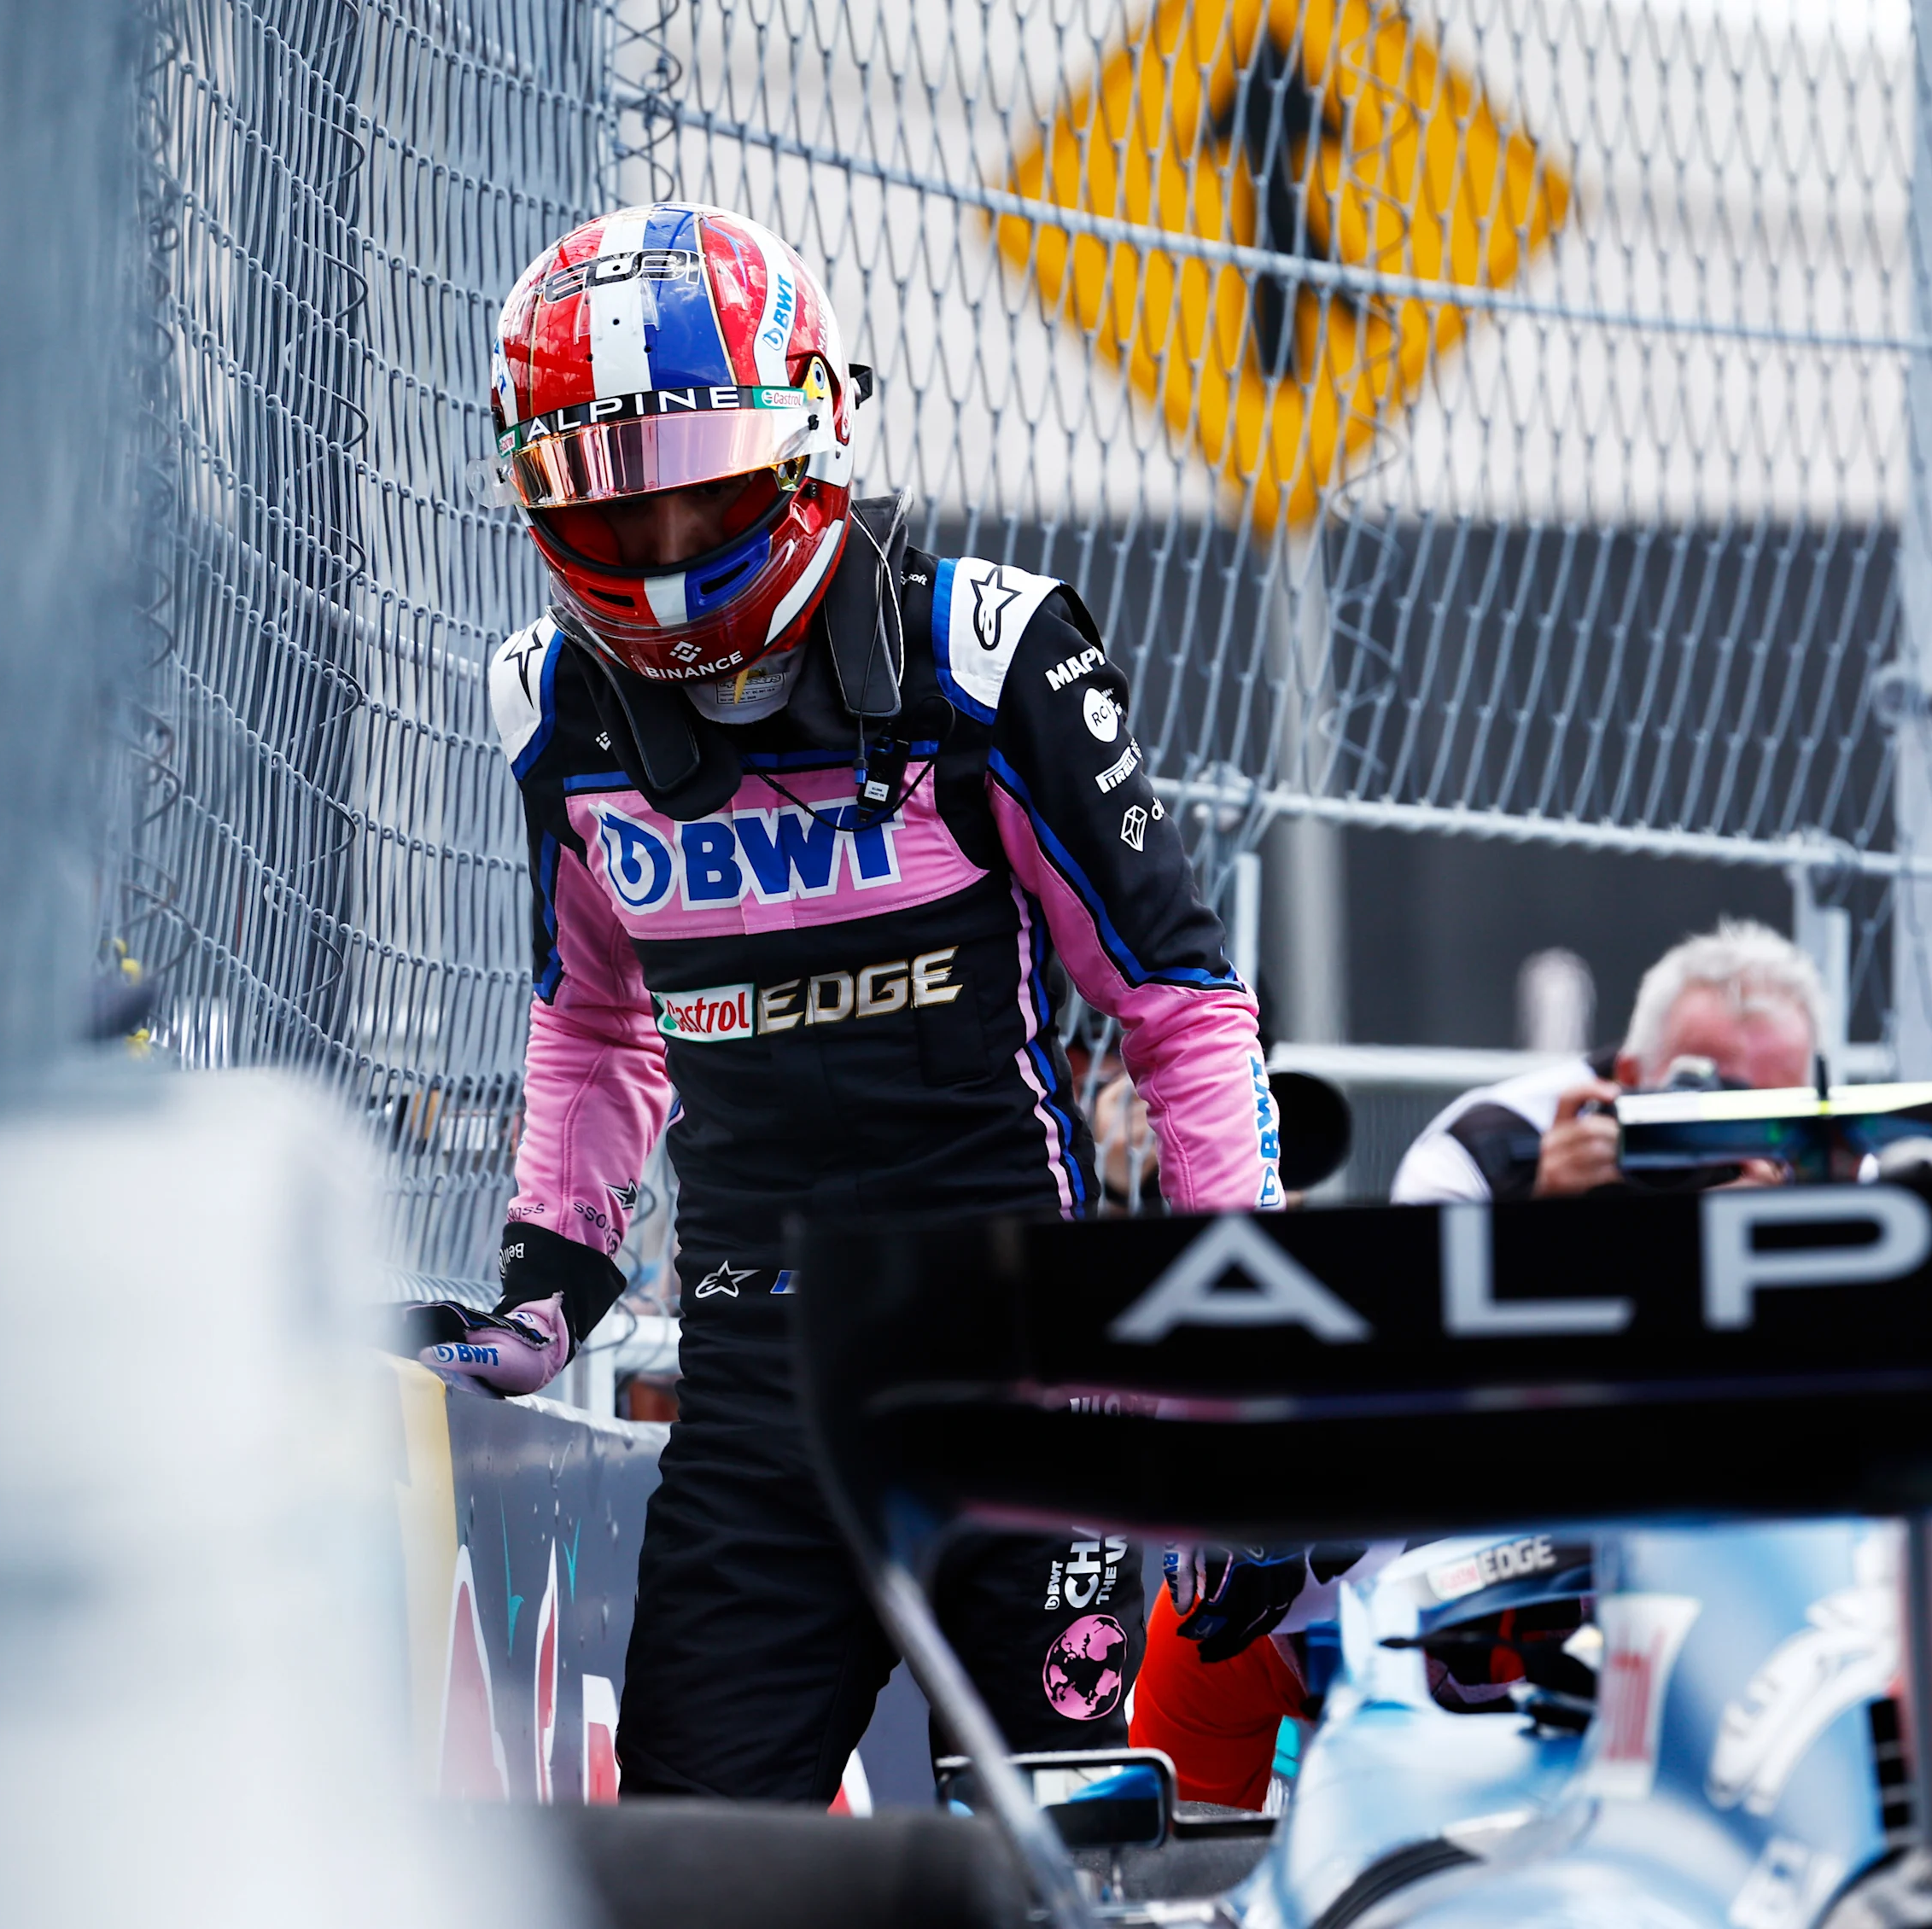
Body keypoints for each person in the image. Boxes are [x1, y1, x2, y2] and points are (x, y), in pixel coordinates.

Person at [406, 204, 1280, 1802]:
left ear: (813, 435)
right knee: (682, 1866)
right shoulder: (548, 705)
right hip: (760, 1397)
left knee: (1046, 1858)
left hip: (1032, 1375)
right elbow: (592, 1019)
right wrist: (549, 1297)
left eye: (699, 488)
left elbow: (1180, 1008)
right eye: (614, 503)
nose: (663, 552)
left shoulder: (988, 654)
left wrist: (1245, 1373)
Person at [1391, 918, 1825, 1203]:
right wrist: (1549, 1224)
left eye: (1770, 1111)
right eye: (1707, 1096)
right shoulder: (1481, 1153)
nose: (1734, 1136)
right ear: (1628, 1074)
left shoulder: (1835, 1152)